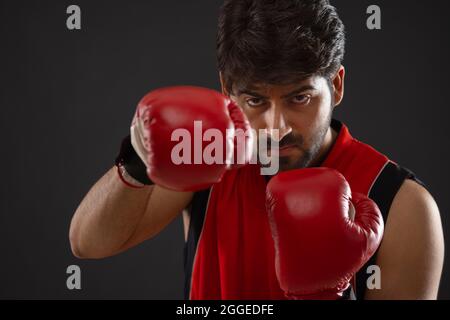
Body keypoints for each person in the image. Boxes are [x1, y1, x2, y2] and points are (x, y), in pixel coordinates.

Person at [69, 0, 444, 300]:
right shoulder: (210, 157)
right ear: (227, 89)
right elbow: (88, 244)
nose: (276, 127)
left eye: (300, 97)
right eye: (255, 100)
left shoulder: (401, 203)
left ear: (337, 85)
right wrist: (137, 163)